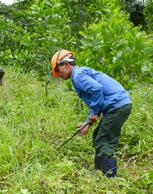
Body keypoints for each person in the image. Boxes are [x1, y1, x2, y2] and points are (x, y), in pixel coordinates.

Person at [51, 50, 131, 178]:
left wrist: (94, 113)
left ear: (66, 64)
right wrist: (88, 122)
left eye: (57, 69)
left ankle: (108, 177)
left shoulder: (78, 76)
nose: (58, 74)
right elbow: (95, 98)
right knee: (98, 135)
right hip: (117, 105)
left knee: (104, 139)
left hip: (117, 106)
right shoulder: (79, 74)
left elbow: (97, 89)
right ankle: (98, 172)